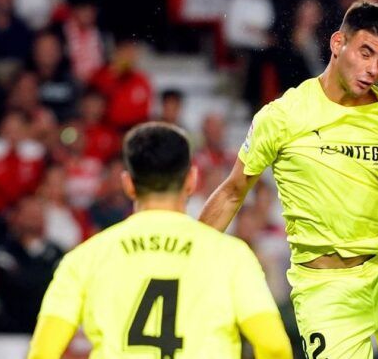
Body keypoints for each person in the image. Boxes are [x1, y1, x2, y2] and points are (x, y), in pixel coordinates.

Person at [200, 0, 378, 358]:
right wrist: (188, 254)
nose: (372, 70)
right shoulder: (282, 116)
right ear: (338, 43)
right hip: (326, 288)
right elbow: (232, 192)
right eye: (365, 53)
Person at [27, 122, 291, 358]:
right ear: (191, 180)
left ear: (128, 184)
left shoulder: (84, 258)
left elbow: (43, 351)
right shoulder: (231, 255)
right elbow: (274, 346)